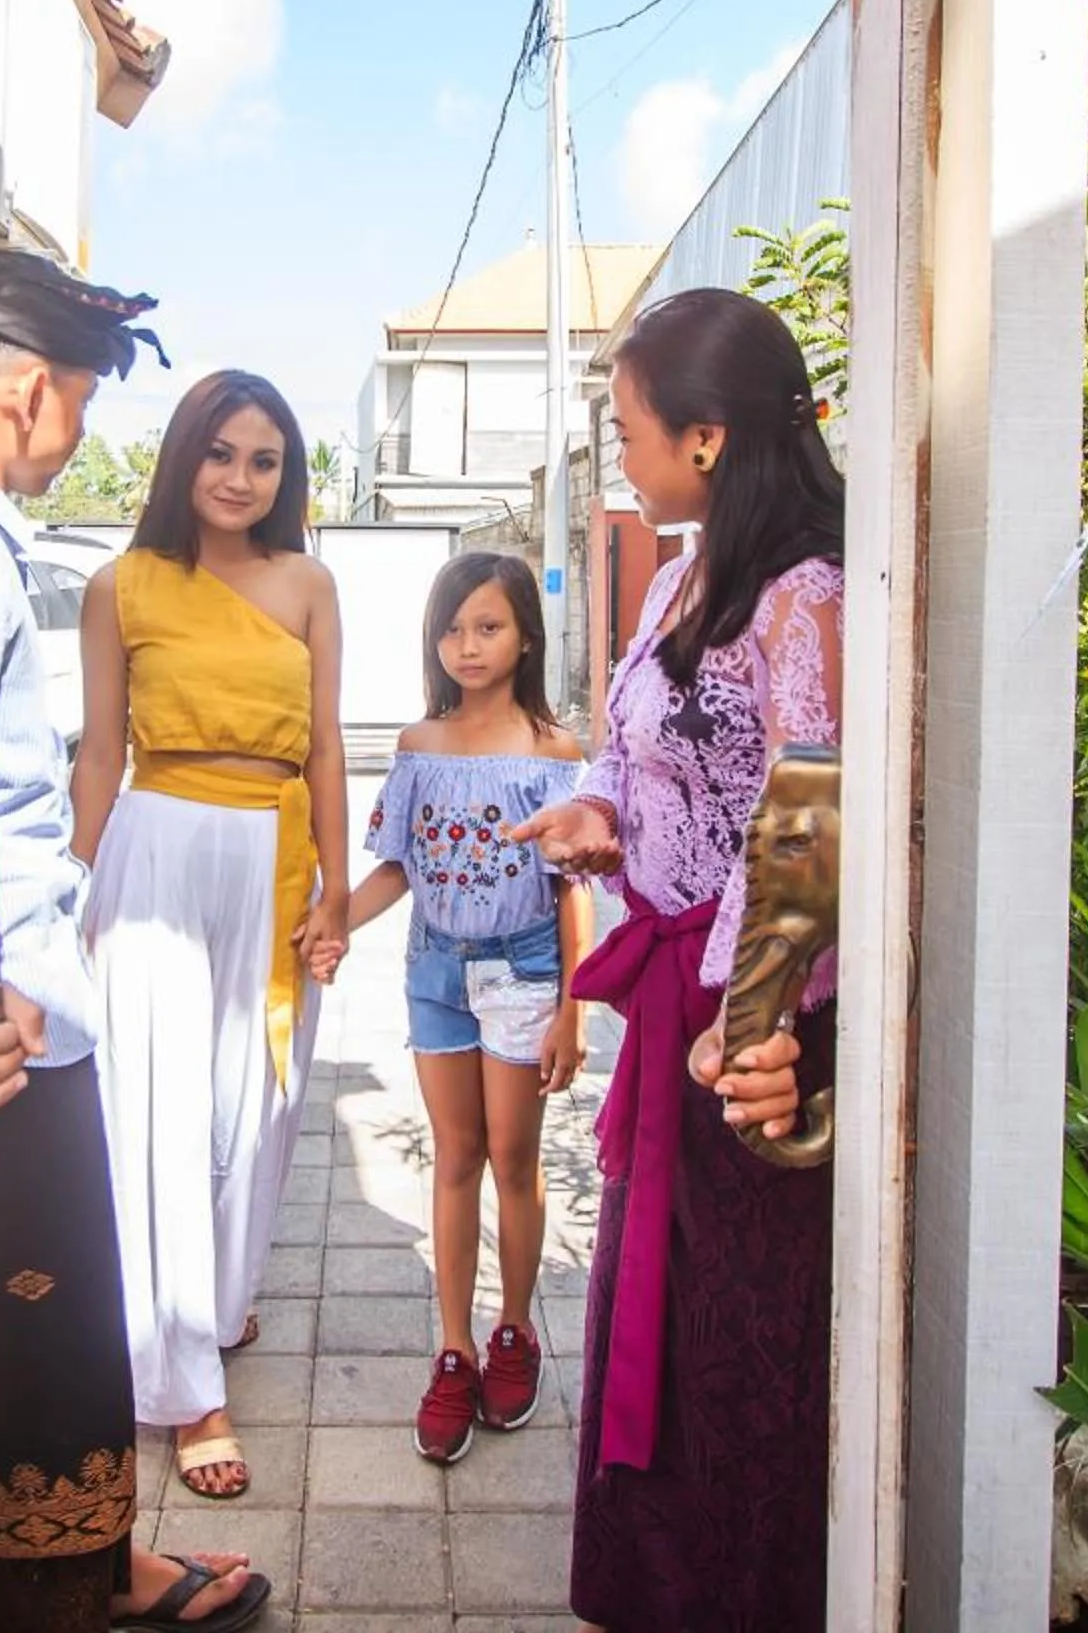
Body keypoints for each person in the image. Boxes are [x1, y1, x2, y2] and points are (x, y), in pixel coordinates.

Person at [0, 252, 271, 1632]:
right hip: (0, 1012)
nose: (74, 433)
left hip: (5, 988)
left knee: (38, 1312)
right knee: (31, 1317)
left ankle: (89, 1562)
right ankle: (57, 1589)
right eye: (76, 406)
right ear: (28, 391)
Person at [507, 289, 832, 1632]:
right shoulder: (690, 575)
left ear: (706, 438)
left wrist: (750, 1021)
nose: (619, 453)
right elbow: (634, 751)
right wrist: (596, 812)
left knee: (733, 1341)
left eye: (629, 427)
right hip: (677, 1005)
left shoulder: (805, 593)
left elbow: (811, 819)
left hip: (751, 1031)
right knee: (663, 1313)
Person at [73, 370, 350, 1501]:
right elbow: (99, 752)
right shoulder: (121, 584)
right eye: (221, 451)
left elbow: (327, 744)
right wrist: (74, 895)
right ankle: (189, 1385)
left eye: (266, 458)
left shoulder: (311, 583)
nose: (241, 477)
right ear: (183, 455)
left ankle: (219, 1293)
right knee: (162, 1115)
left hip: (274, 855)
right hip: (156, 853)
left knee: (260, 1105)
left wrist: (333, 889)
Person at [330, 552, 593, 1465]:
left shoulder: (556, 754)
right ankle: (453, 1349)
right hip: (435, 972)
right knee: (456, 1157)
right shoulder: (417, 745)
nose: (467, 645)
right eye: (452, 628)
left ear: (526, 635)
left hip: (524, 974)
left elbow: (573, 888)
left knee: (513, 1159)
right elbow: (397, 866)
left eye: (487, 627)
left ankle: (513, 1330)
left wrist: (575, 1007)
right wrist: (332, 924)